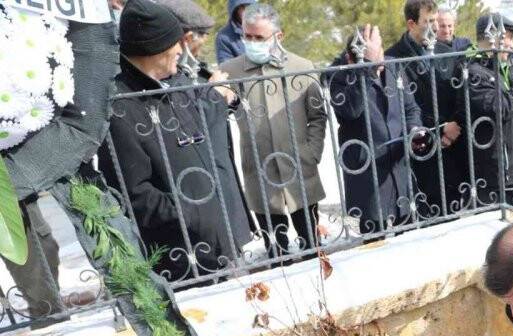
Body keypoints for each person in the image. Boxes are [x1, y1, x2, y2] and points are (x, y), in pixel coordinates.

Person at [98, 0, 253, 282]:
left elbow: (198, 132)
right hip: (183, 255)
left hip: (220, 239)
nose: (182, 51)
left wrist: (217, 98)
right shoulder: (120, 108)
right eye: (174, 44)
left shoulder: (177, 79)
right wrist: (194, 212)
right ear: (152, 48)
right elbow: (135, 194)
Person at [220, 3, 327, 254]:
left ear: (278, 36)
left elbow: (318, 116)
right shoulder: (230, 71)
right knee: (276, 252)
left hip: (300, 168)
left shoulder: (301, 67)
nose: (252, 42)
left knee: (312, 246)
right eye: (248, 36)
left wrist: (312, 152)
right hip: (260, 170)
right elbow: (219, 113)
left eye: (259, 37)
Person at [328, 25, 426, 235]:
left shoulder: (393, 66)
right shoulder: (338, 77)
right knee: (375, 240)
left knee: (409, 236)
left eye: (380, 50)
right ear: (351, 58)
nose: (381, 58)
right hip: (368, 170)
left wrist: (414, 130)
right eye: (375, 53)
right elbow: (351, 111)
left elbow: (410, 108)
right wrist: (367, 68)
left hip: (399, 165)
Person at [385, 0, 467, 217]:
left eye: (435, 20)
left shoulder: (444, 51)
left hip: (452, 143)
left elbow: (458, 92)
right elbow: (400, 107)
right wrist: (435, 132)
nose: (434, 26)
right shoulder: (393, 58)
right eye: (428, 21)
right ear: (411, 24)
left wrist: (453, 126)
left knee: (455, 213)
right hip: (419, 149)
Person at [467, 13, 513, 209]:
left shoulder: (506, 69)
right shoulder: (474, 72)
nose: (511, 45)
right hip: (495, 174)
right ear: (491, 38)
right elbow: (501, 108)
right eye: (507, 38)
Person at [158, 0, 215, 80]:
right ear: (189, 38)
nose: (206, 39)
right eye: (204, 34)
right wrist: (214, 90)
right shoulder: (166, 73)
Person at [215, 0, 252, 64]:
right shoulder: (224, 37)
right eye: (243, 7)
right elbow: (226, 68)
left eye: (250, 6)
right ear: (236, 10)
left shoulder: (265, 27)